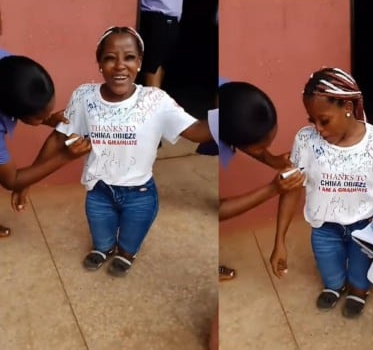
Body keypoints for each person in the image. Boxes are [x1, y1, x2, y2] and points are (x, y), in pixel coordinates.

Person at [13, 26, 214, 275]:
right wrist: (26, 183)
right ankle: (105, 249)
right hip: (99, 191)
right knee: (101, 238)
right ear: (99, 63)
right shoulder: (84, 96)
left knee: (130, 241)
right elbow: (57, 139)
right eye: (110, 58)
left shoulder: (156, 100)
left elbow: (197, 131)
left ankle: (127, 254)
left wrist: (231, 116)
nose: (120, 66)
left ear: (139, 62)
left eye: (129, 57)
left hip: (139, 194)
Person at [269, 67, 373, 318]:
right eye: (312, 120)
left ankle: (358, 291)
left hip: (364, 227)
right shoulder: (306, 141)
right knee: (330, 274)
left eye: (324, 120)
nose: (318, 128)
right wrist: (279, 242)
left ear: (348, 106)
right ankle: (335, 287)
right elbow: (291, 189)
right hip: (324, 228)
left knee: (361, 280)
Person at [210, 80, 305, 350]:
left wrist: (272, 159)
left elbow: (250, 141)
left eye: (269, 141)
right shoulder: (214, 136)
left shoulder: (232, 98)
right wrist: (272, 188)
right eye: (259, 148)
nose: (265, 149)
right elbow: (217, 209)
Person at [0, 52, 89, 237]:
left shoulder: (9, 69)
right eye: (41, 117)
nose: (50, 117)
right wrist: (65, 156)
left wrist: (45, 120)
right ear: (14, 113)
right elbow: (11, 180)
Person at [139, 0, 186, 88]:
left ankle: (152, 103)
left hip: (154, 20)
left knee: (150, 69)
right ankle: (156, 99)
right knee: (160, 65)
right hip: (172, 22)